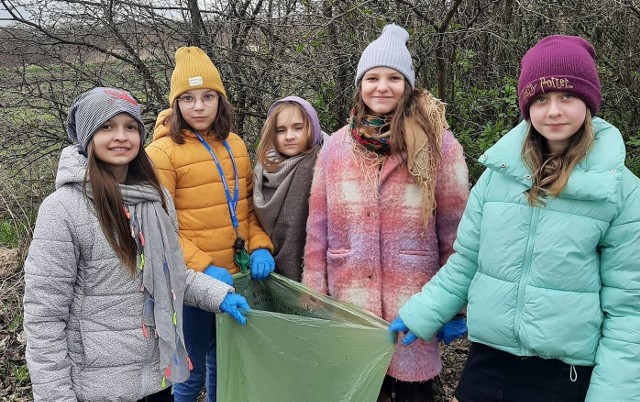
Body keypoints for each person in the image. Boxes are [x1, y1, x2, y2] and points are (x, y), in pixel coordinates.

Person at [390, 35, 640, 402]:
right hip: (489, 362)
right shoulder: (497, 176)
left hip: (564, 373)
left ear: (589, 101)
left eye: (567, 96)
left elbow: (628, 307)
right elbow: (467, 262)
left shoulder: (621, 191)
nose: (553, 110)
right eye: (541, 98)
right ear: (526, 105)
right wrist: (422, 313)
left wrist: (613, 394)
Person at [22, 87, 251, 402]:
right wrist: (55, 396)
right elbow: (44, 317)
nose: (121, 136)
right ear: (88, 136)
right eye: (107, 127)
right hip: (95, 389)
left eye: (130, 127)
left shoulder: (157, 199)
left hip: (156, 381)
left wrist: (219, 296)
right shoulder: (62, 209)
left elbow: (172, 275)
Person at [303, 24, 470, 402]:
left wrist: (454, 306)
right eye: (372, 77)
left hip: (415, 302)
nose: (382, 87)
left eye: (393, 77)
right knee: (362, 392)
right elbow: (318, 229)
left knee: (416, 394)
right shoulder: (336, 147)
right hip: (351, 303)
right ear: (360, 84)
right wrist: (315, 299)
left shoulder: (440, 145)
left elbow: (456, 234)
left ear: (408, 85)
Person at [146, 47, 275, 402]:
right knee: (189, 370)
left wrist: (260, 245)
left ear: (220, 100)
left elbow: (248, 210)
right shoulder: (162, 154)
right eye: (187, 98)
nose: (199, 106)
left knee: (226, 360)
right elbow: (160, 228)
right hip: (192, 286)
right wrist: (202, 268)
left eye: (207, 97)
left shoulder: (235, 144)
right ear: (175, 104)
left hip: (237, 278)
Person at [253, 96, 326, 281]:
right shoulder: (263, 169)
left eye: (298, 128)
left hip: (314, 274)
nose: (290, 136)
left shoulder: (324, 162)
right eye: (281, 130)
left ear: (312, 127)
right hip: (268, 271)